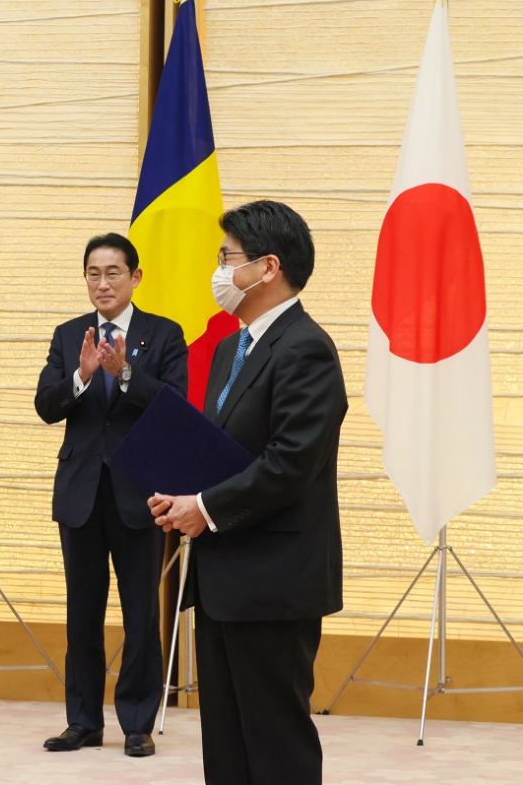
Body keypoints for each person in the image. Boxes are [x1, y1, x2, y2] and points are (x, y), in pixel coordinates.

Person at [150, 200, 348, 785]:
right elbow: (222, 453)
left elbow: (291, 463)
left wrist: (205, 508)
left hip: (274, 582)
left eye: (225, 257)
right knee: (229, 743)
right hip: (223, 578)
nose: (217, 271)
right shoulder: (233, 348)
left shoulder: (306, 348)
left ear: (267, 267)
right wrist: (179, 493)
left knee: (275, 742)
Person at [34, 232, 189, 759]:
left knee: (141, 611)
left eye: (113, 273)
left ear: (135, 276)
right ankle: (83, 721)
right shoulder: (67, 335)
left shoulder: (164, 335)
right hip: (80, 492)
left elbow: (174, 406)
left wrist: (123, 372)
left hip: (140, 494)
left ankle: (138, 722)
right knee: (82, 611)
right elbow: (46, 406)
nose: (102, 283)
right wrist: (82, 374)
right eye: (93, 274)